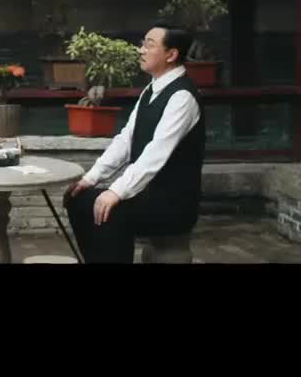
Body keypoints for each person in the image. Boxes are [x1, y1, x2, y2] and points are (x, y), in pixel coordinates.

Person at [63, 22, 206, 263]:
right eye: (142, 44)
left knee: (112, 209)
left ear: (171, 54)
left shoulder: (183, 97)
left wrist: (116, 191)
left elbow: (156, 152)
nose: (141, 50)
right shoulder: (151, 90)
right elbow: (126, 140)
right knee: (78, 199)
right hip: (146, 193)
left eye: (149, 45)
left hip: (173, 202)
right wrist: (91, 178)